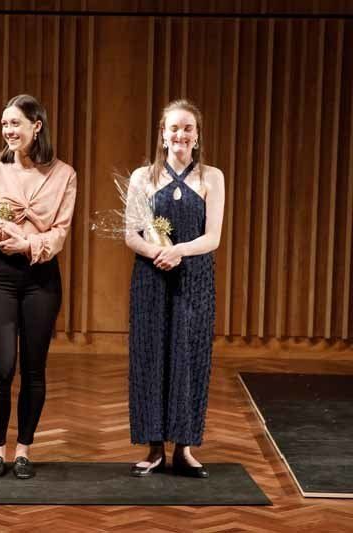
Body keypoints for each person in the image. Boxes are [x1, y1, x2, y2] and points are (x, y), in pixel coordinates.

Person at [0, 94, 77, 480]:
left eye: (15, 123)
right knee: (1, 367)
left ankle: (24, 450)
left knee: (33, 368)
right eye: (4, 124)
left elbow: (60, 233)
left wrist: (27, 244)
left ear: (36, 126)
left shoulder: (64, 174)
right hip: (0, 275)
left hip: (41, 278)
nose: (8, 130)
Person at [125, 99, 225, 478]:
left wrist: (178, 251)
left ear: (197, 135)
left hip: (194, 279)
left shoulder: (212, 177)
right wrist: (158, 252)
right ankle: (154, 449)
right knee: (151, 356)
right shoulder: (142, 177)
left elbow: (213, 237)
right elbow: (131, 235)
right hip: (151, 278)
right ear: (162, 134)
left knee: (189, 357)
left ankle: (184, 448)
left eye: (188, 128)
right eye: (174, 128)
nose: (180, 134)